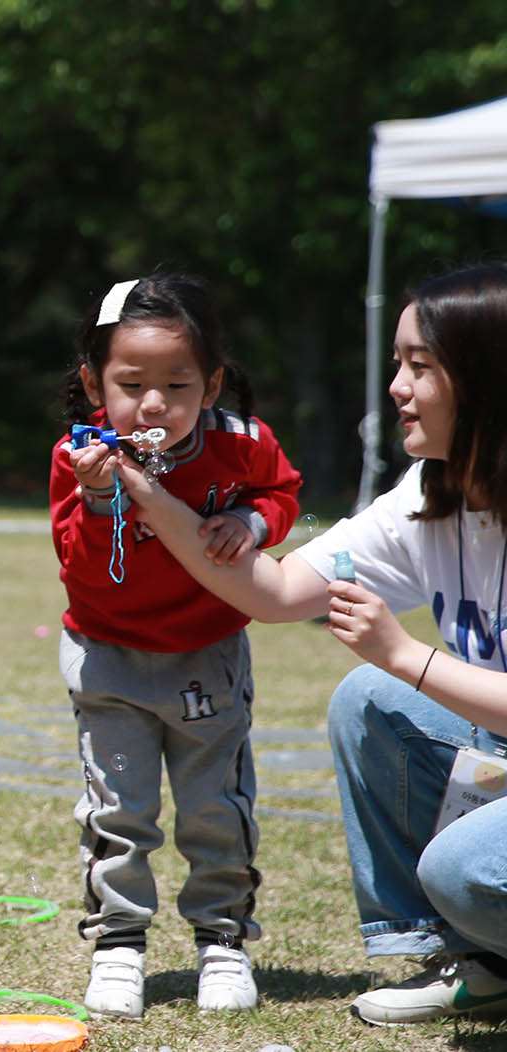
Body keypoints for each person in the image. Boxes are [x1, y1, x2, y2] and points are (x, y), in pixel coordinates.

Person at [105, 262, 507, 1027]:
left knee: (463, 867)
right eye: (398, 363)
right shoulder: (430, 494)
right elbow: (277, 592)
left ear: (486, 380)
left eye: (420, 366)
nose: (396, 386)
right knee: (370, 703)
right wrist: (151, 496)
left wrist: (406, 654)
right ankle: (476, 965)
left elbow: (407, 659)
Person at [51, 273, 301, 1020]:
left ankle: (222, 942)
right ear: (96, 382)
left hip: (208, 653)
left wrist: (254, 525)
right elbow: (82, 570)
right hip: (108, 655)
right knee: (117, 810)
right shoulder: (79, 456)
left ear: (212, 382)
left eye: (177, 383)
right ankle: (119, 945)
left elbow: (283, 493)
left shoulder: (243, 442)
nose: (154, 403)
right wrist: (102, 498)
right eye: (131, 383)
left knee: (214, 808)